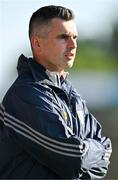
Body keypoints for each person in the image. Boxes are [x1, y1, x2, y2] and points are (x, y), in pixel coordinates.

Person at [0, 5, 112, 179]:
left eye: (75, 37)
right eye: (63, 37)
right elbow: (74, 157)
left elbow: (105, 159)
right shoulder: (25, 95)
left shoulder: (72, 95)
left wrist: (92, 153)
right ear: (37, 43)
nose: (73, 44)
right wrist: (95, 151)